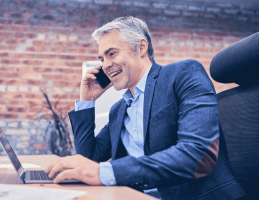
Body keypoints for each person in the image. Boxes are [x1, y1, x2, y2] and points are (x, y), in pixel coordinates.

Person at [45, 16, 245, 200]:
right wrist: (87, 101)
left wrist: (109, 172)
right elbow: (88, 159)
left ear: (141, 48)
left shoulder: (182, 74)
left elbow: (197, 154)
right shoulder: (119, 110)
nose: (105, 65)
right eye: (101, 59)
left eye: (111, 53)